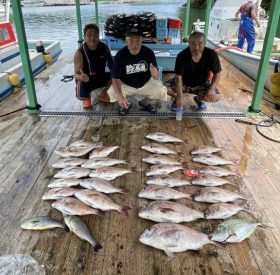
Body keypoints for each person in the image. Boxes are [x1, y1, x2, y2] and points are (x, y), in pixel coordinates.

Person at [107, 27, 169, 114]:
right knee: (112, 92)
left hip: (145, 83)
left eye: (138, 40)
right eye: (131, 40)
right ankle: (126, 104)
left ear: (142, 40)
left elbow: (156, 76)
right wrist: (120, 96)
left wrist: (155, 74)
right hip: (126, 84)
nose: (134, 44)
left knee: (161, 90)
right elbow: (115, 78)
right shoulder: (120, 55)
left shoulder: (149, 53)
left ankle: (144, 102)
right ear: (126, 41)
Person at [171, 31, 222, 111]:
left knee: (216, 97)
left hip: (202, 84)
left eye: (200, 44)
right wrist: (179, 96)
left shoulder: (212, 54)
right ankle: (176, 99)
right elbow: (178, 77)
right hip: (184, 83)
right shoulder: (182, 55)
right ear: (189, 43)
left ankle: (199, 99)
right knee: (164, 89)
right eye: (193, 43)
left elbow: (218, 73)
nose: (196, 47)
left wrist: (212, 88)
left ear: (204, 43)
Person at [74, 24, 113, 109]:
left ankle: (103, 93)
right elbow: (76, 74)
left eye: (95, 34)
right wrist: (81, 77)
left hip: (101, 76)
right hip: (87, 79)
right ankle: (86, 97)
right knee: (81, 95)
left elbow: (112, 65)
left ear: (98, 36)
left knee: (116, 76)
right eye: (89, 35)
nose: (93, 37)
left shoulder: (104, 47)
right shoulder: (79, 53)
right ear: (84, 37)